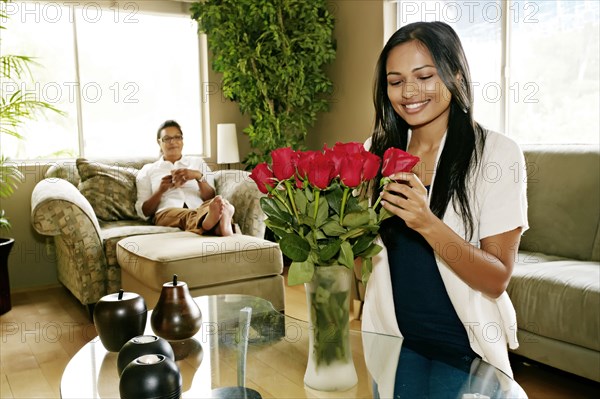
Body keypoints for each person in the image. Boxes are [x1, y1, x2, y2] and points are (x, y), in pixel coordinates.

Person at [362, 21, 529, 396]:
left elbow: (496, 277)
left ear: (455, 74)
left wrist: (427, 223)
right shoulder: (377, 150)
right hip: (393, 339)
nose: (409, 92)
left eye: (424, 76)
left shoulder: (498, 154)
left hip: (465, 347)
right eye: (395, 80)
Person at [135, 120, 235, 236]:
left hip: (201, 208)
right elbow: (144, 212)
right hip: (167, 212)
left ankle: (218, 227)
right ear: (159, 143)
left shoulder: (198, 163)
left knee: (217, 206)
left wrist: (198, 177)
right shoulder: (148, 170)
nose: (173, 142)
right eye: (167, 138)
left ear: (182, 141)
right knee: (189, 215)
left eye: (177, 137)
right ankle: (212, 223)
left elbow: (210, 197)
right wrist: (160, 191)